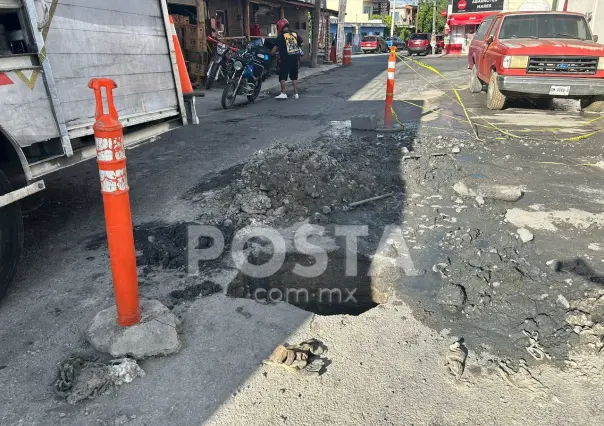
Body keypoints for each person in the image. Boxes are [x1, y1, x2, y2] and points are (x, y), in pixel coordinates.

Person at [271, 18, 303, 100]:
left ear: (280, 26)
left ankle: (283, 93)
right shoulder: (294, 34)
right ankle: (296, 94)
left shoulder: (281, 36)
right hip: (295, 57)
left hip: (286, 58)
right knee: (294, 76)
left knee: (282, 76)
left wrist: (271, 54)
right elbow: (300, 42)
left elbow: (275, 48)